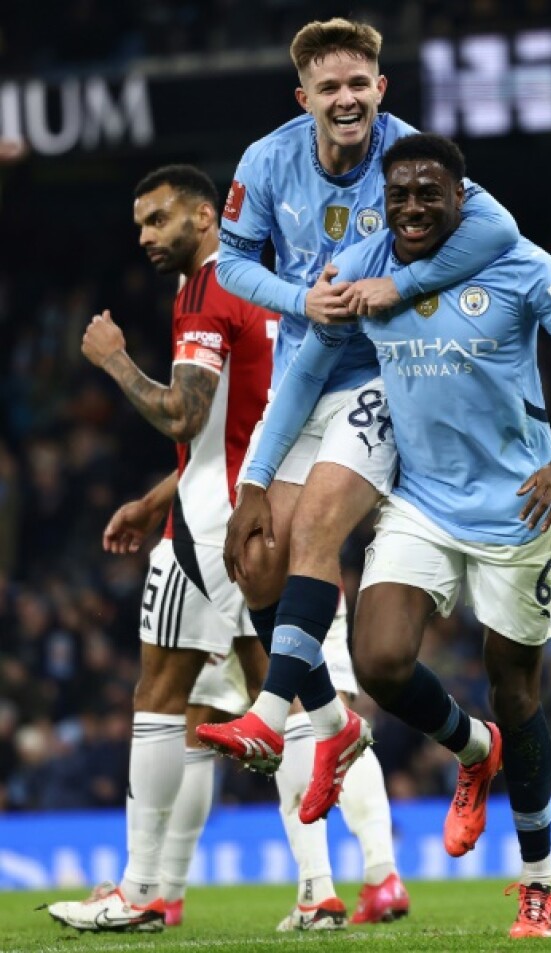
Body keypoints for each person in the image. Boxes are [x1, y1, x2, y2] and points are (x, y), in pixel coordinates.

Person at [236, 133, 551, 937]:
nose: (413, 208)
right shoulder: (361, 268)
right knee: (380, 662)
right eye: (401, 194)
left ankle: (537, 882)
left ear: (462, 197)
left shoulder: (518, 263)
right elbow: (305, 374)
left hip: (520, 509)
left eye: (431, 195)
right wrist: (253, 478)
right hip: (422, 501)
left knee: (516, 691)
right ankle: (469, 747)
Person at [43, 165, 404, 935]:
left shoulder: (208, 292)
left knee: (161, 695)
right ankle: (320, 889)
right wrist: (153, 495)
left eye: (158, 219)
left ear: (206, 217)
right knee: (289, 705)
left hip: (212, 528)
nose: (143, 235)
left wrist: (111, 356)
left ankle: (142, 891)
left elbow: (182, 416)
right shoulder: (272, 291)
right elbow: (239, 431)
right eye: (139, 223)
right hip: (275, 514)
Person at [198, 18, 515, 844]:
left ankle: (270, 716)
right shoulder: (266, 162)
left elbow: (494, 228)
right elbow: (229, 264)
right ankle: (360, 728)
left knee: (314, 532)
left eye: (358, 84)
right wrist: (297, 299)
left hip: (387, 372)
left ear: (382, 88)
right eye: (328, 88)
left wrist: (394, 287)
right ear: (302, 98)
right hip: (305, 366)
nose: (346, 99)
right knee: (259, 560)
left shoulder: (408, 157)